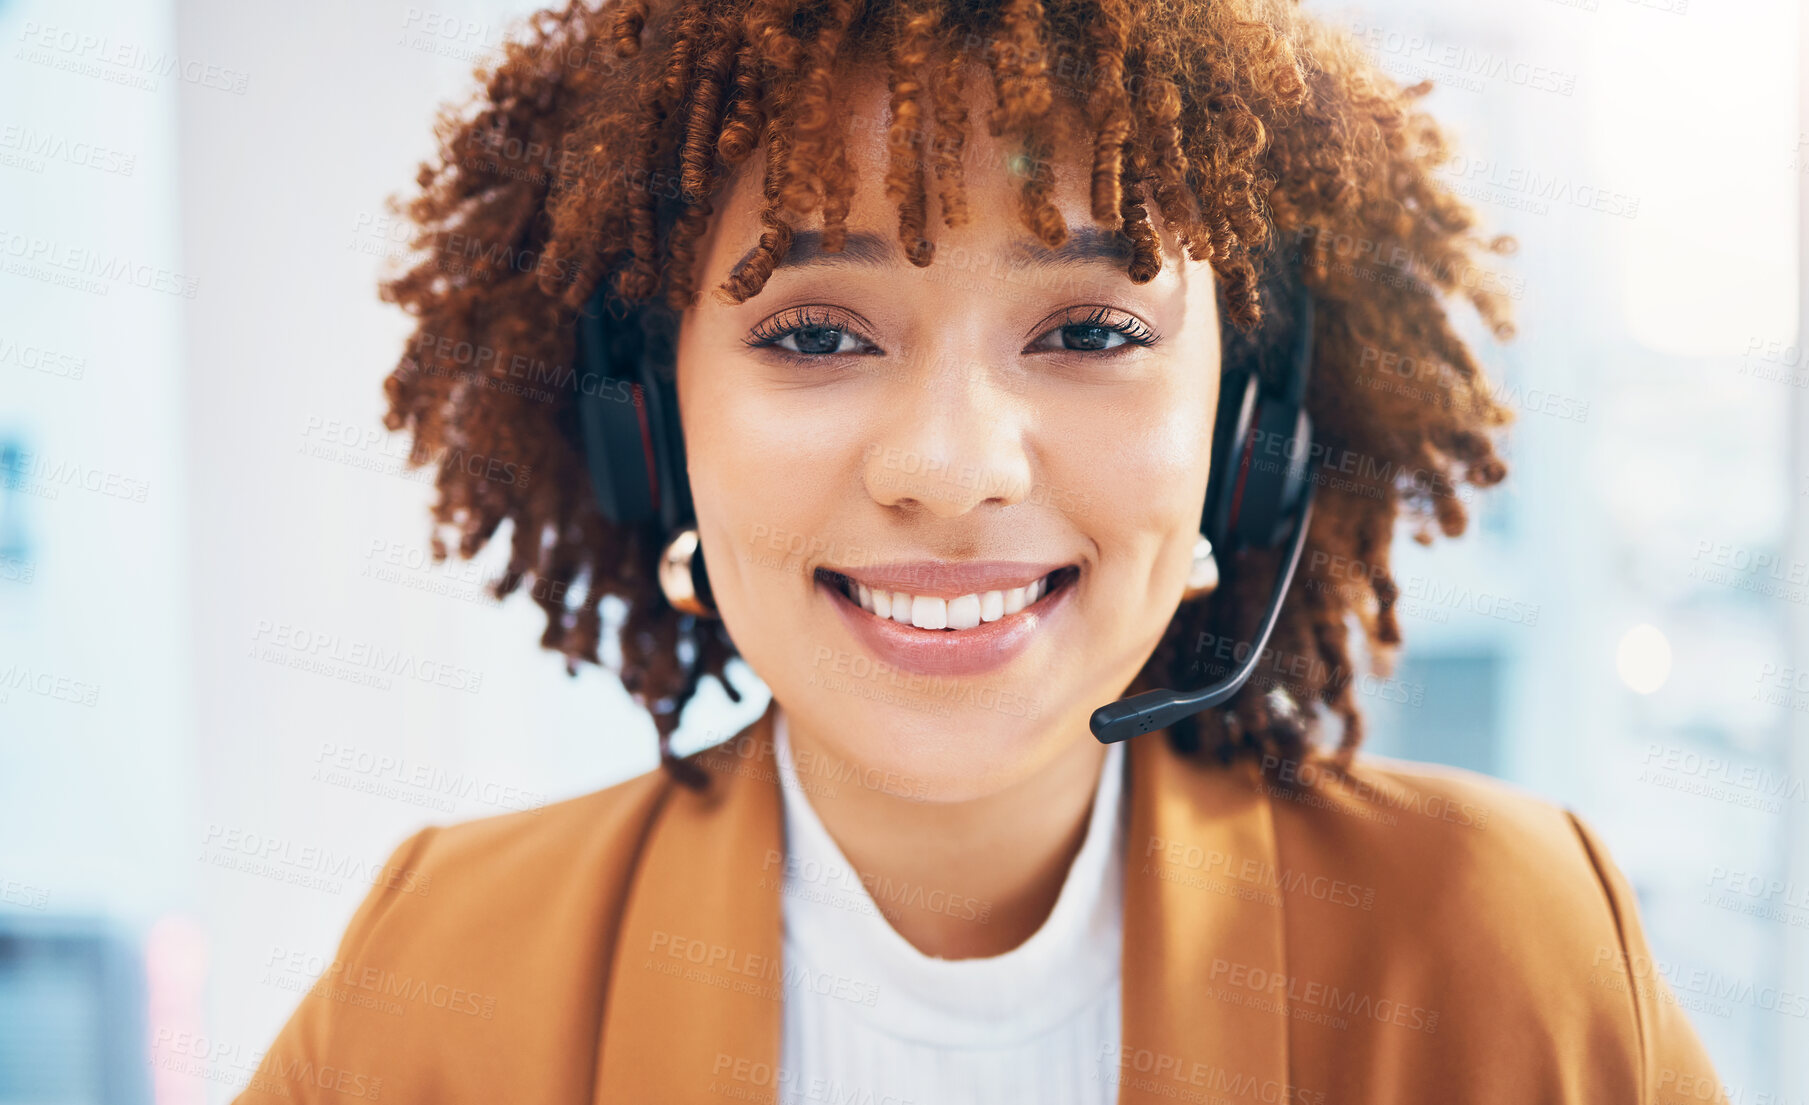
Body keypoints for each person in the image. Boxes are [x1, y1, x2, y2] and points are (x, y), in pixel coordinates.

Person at [235, 0, 1728, 1102]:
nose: (950, 469)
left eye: (1087, 330)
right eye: (814, 332)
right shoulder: (435, 986)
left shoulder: (1513, 960)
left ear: (1248, 432)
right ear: (646, 421)